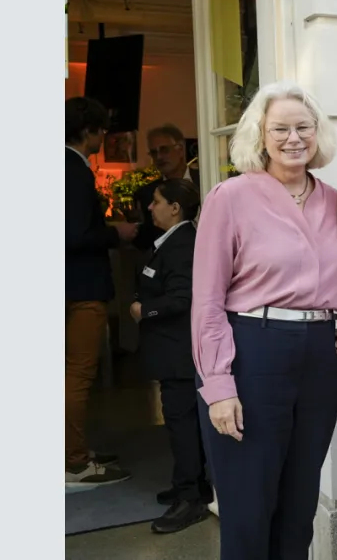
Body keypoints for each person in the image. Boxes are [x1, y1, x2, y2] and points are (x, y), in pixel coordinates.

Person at [191, 81, 337, 559]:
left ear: (318, 133)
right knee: (249, 508)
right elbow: (207, 299)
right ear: (261, 135)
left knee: (300, 507)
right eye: (280, 128)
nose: (293, 138)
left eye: (303, 127)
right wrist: (218, 385)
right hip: (253, 352)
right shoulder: (231, 196)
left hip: (321, 356)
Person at [130, 178, 212, 533]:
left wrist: (142, 309)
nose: (150, 207)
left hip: (179, 354)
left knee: (182, 424)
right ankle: (190, 485)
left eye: (157, 201)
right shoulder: (171, 242)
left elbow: (182, 298)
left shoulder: (181, 244)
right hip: (172, 353)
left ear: (175, 207)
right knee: (183, 422)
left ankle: (191, 497)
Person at [65, 96, 138, 486]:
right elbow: (75, 235)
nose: (103, 137)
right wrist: (117, 233)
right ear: (89, 131)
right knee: (77, 375)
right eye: (101, 129)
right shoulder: (74, 170)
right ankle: (74, 464)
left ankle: (69, 451)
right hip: (80, 287)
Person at [133, 124, 200, 249]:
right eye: (154, 152)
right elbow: (146, 242)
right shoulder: (146, 193)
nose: (159, 157)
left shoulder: (205, 179)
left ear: (180, 150)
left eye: (164, 150)